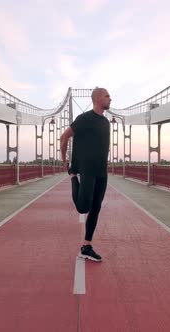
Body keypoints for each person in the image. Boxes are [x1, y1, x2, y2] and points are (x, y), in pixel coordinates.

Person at [60, 87, 111, 262]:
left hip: (102, 171)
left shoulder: (106, 123)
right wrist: (65, 160)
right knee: (83, 208)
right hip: (87, 169)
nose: (110, 99)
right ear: (97, 98)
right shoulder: (84, 118)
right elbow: (64, 137)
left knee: (96, 208)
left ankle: (86, 246)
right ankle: (73, 176)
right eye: (107, 96)